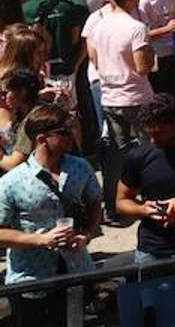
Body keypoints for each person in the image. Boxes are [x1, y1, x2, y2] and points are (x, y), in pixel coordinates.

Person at [0, 104, 102, 317]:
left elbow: (95, 204)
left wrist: (88, 234)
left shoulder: (80, 167)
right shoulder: (12, 182)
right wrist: (43, 240)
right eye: (64, 133)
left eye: (71, 129)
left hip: (77, 270)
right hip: (32, 278)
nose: (71, 136)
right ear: (41, 139)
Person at [86, 0, 155, 221]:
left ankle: (116, 203)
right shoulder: (135, 28)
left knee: (118, 154)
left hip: (110, 97)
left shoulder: (98, 25)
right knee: (148, 151)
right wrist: (150, 54)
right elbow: (143, 67)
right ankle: (150, 199)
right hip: (136, 97)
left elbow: (93, 58)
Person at [116, 92, 175, 261]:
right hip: (153, 249)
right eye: (149, 134)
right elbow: (122, 201)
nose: (153, 140)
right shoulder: (138, 156)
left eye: (159, 133)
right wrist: (143, 209)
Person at [0, 69, 42, 173]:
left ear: (22, 92)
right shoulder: (21, 112)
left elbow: (13, 164)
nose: (3, 97)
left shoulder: (32, 120)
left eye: (7, 92)